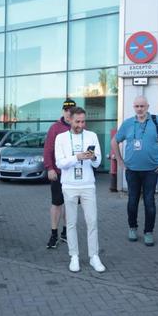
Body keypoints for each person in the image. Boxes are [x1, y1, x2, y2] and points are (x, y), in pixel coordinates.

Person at [111, 96, 158, 246]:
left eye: (142, 106)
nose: (139, 109)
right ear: (133, 107)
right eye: (137, 106)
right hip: (132, 170)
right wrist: (120, 161)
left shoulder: (157, 121)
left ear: (147, 106)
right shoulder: (128, 123)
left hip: (151, 170)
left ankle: (148, 232)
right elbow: (114, 141)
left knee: (149, 202)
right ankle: (132, 228)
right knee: (132, 201)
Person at [54, 107, 105, 273]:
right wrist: (77, 157)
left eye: (83, 121)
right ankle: (74, 256)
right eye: (77, 121)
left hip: (88, 184)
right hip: (69, 185)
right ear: (70, 120)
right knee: (71, 223)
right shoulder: (60, 138)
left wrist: (93, 157)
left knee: (92, 221)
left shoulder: (92, 136)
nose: (81, 125)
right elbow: (59, 163)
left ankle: (94, 256)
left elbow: (98, 162)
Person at [43, 98, 76, 248]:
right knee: (57, 204)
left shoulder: (79, 127)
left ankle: (65, 233)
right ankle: (54, 234)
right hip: (58, 173)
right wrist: (49, 168)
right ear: (63, 111)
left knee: (70, 204)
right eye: (67, 111)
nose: (69, 113)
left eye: (72, 111)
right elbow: (48, 150)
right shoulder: (55, 128)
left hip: (73, 174)